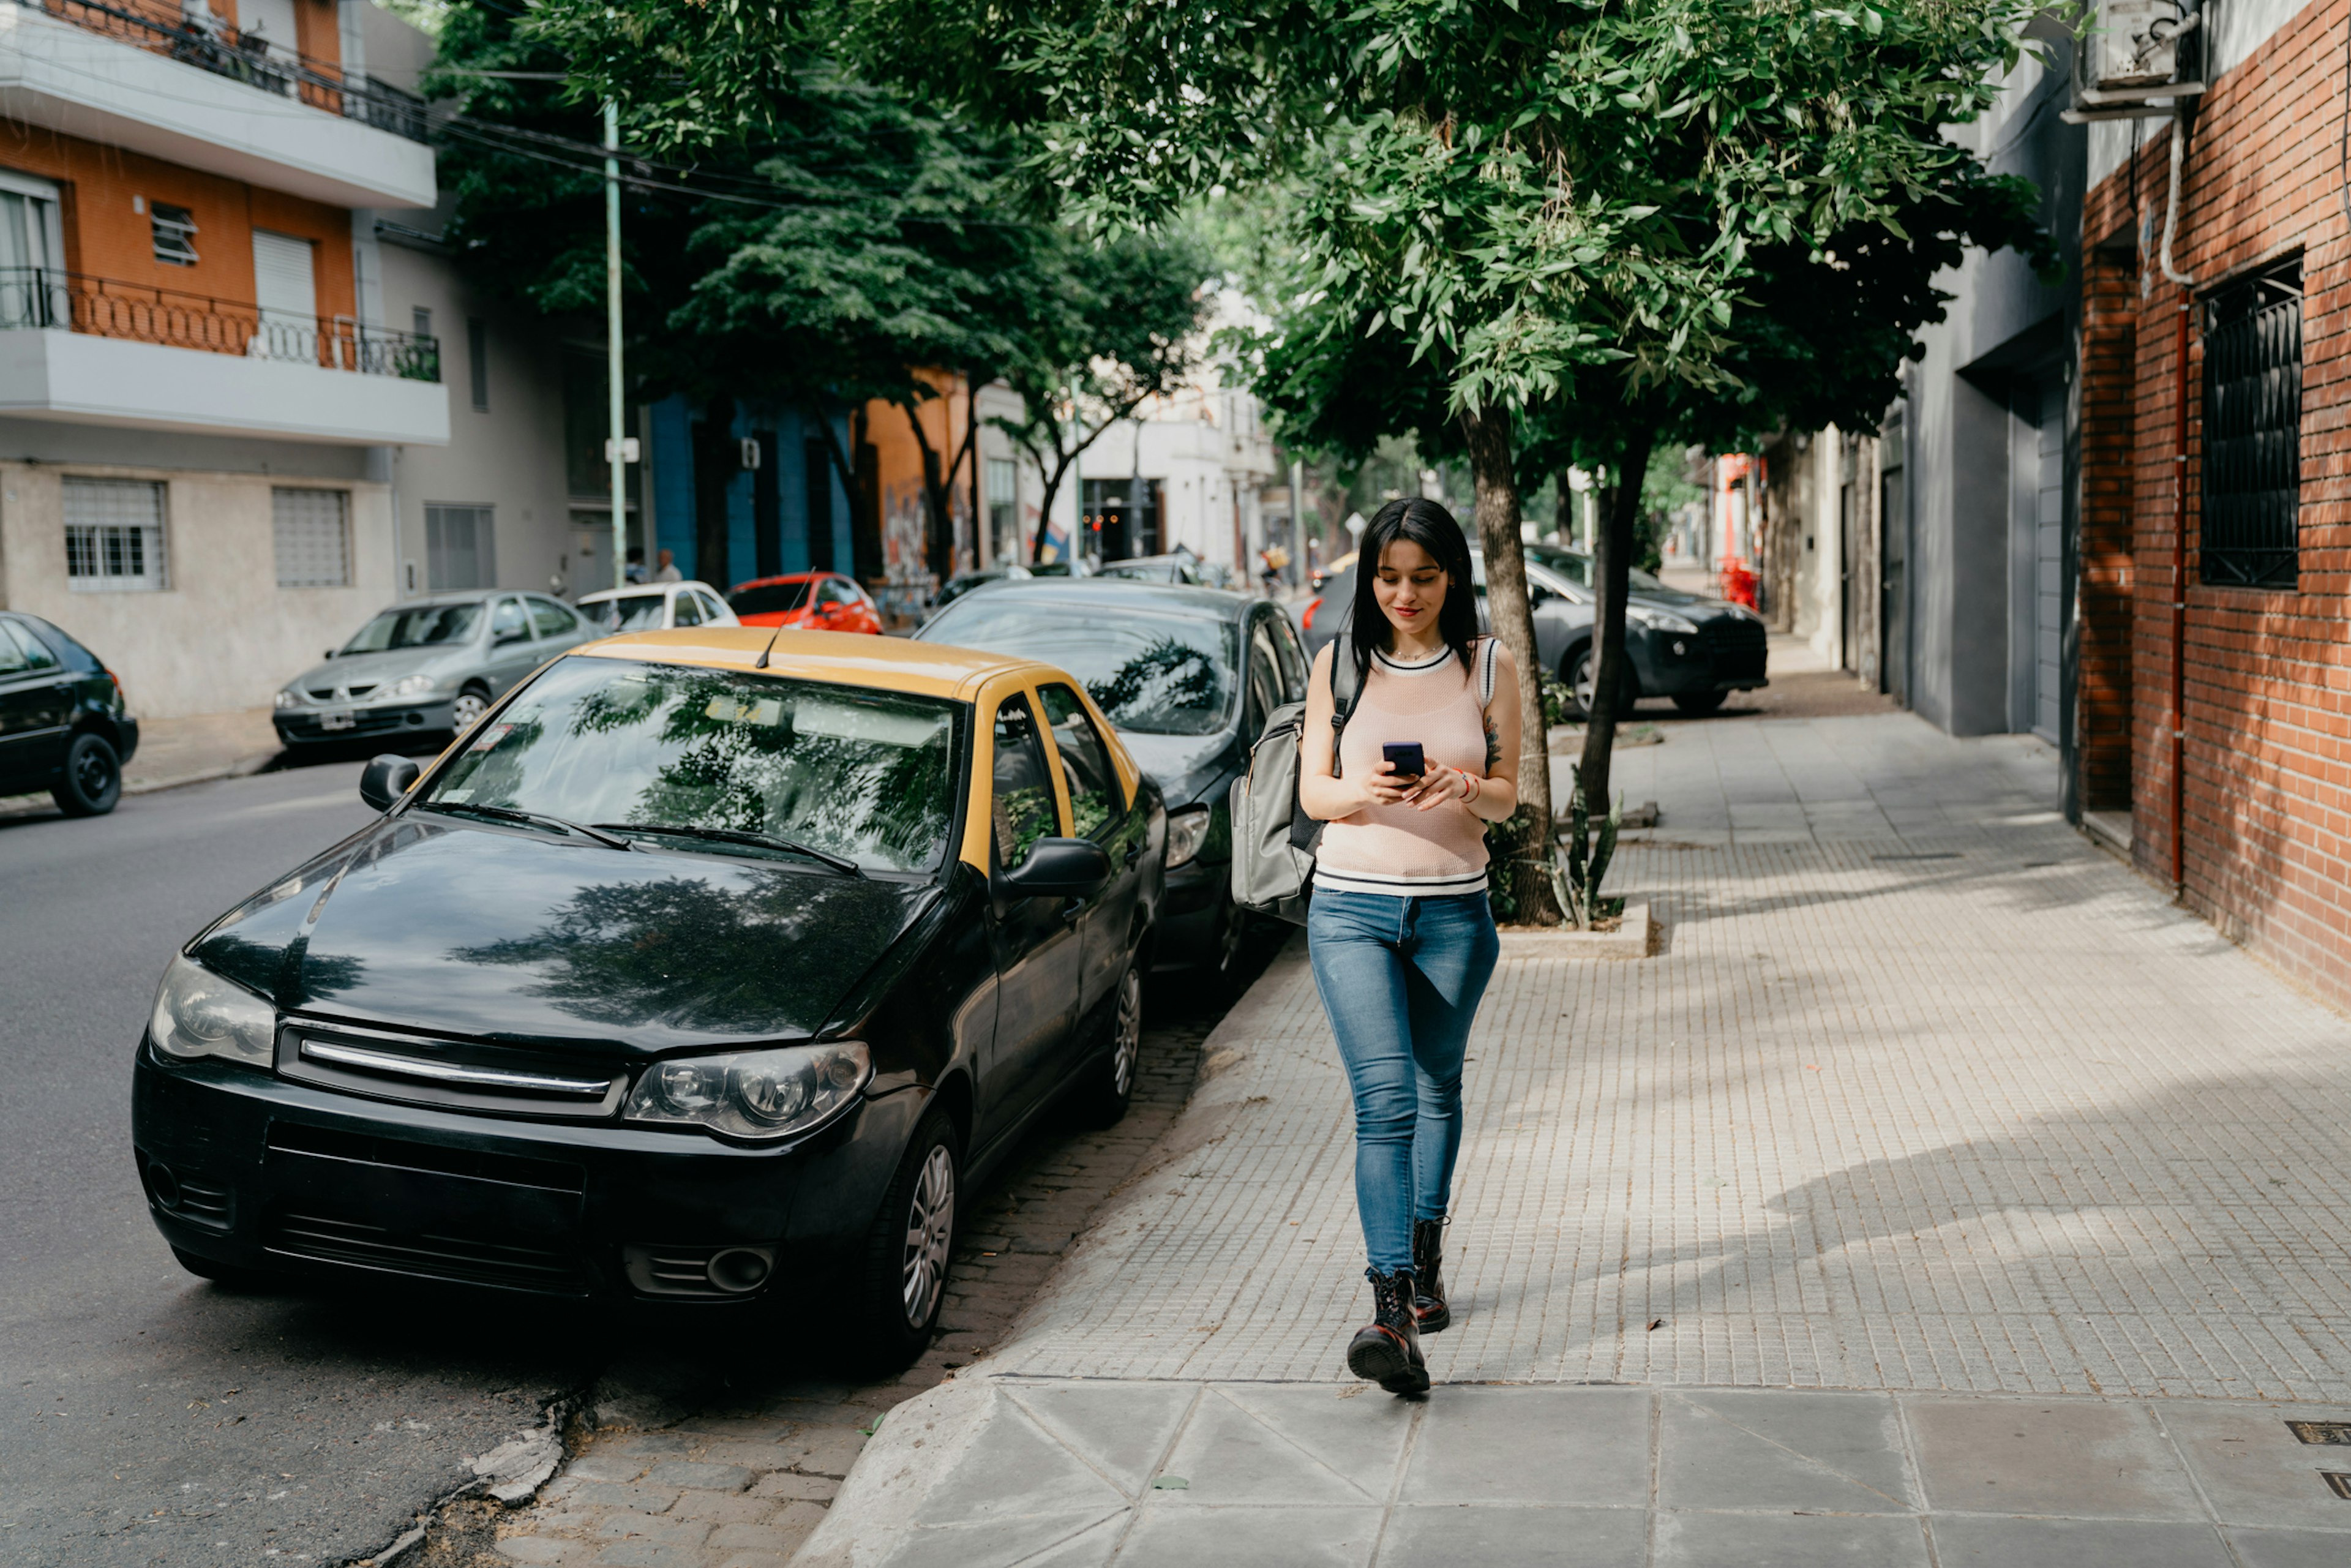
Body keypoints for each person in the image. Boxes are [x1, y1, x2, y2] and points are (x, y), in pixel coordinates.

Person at [1297, 497, 1518, 1395]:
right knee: (1384, 1101)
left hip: (1455, 916)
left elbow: (1512, 794)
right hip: (1350, 910)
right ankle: (1390, 1309)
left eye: (1423, 577)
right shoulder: (1339, 663)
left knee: (1438, 1083)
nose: (1404, 593)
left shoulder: (1488, 664)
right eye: (1388, 577)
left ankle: (1426, 1249)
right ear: (1369, 578)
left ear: (1452, 576)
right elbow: (1313, 793)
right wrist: (1365, 789)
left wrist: (1462, 782)